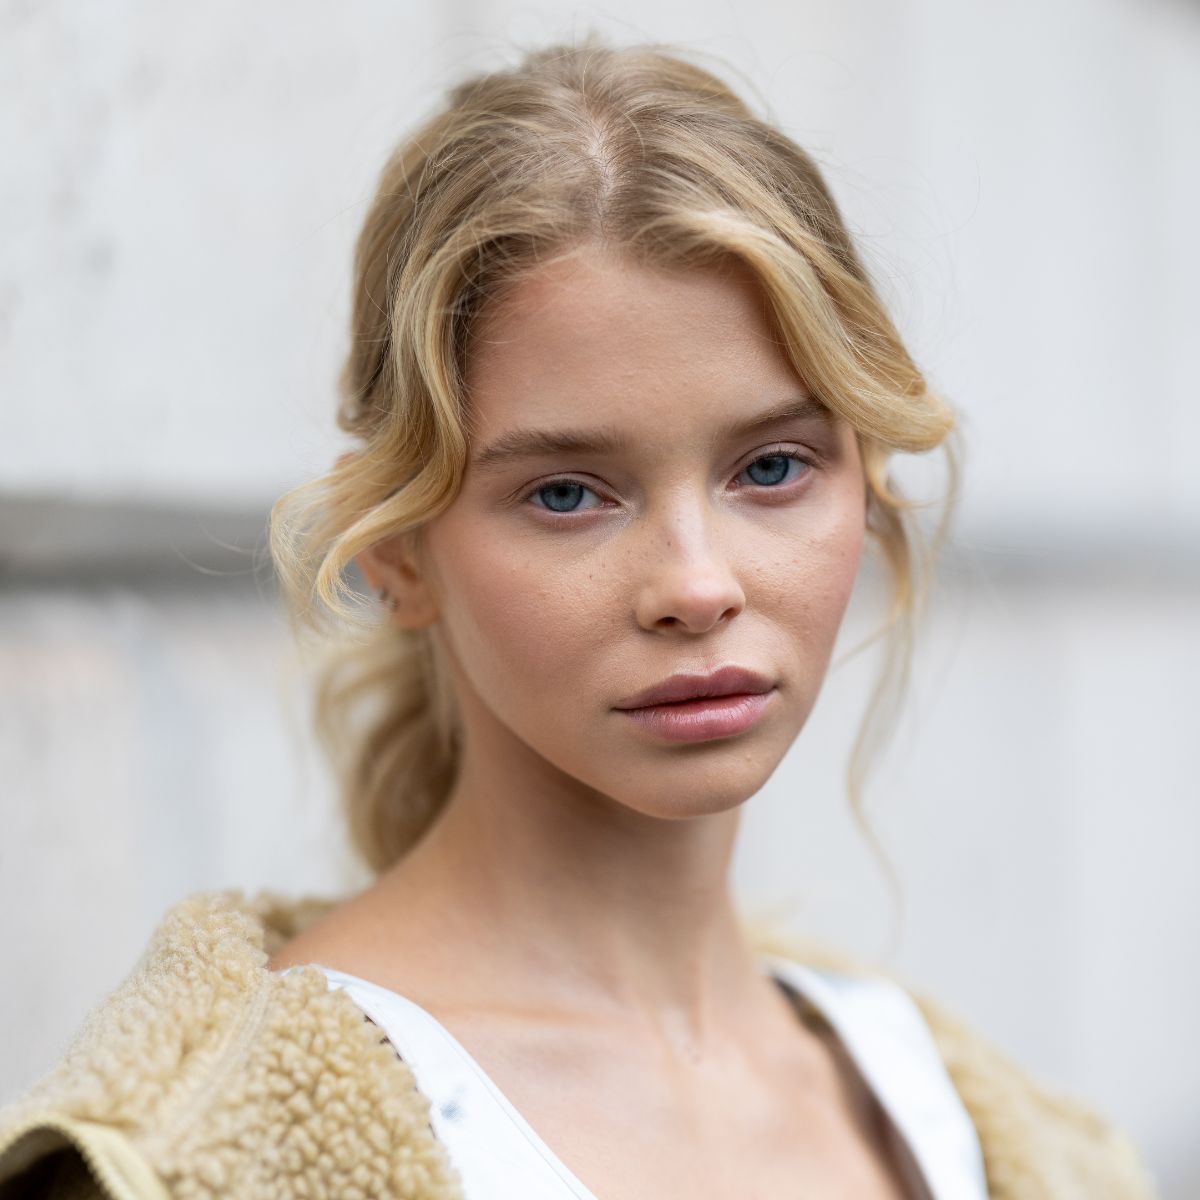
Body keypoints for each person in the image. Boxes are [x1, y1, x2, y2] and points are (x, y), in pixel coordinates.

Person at [0, 36, 1157, 1200]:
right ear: (399, 550)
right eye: (566, 493)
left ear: (869, 481)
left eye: (772, 468)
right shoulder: (205, 1162)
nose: (697, 587)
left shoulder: (978, 1126)